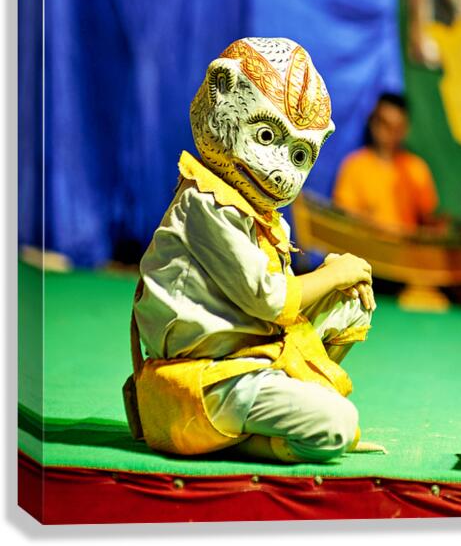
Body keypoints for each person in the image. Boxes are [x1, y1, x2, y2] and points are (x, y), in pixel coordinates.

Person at [127, 38, 378, 464]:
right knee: (336, 425)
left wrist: (337, 280)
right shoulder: (206, 203)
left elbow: (272, 298)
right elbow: (269, 298)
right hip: (207, 375)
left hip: (243, 355)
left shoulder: (253, 211)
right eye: (266, 135)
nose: (282, 170)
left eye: (299, 155)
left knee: (351, 306)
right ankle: (229, 430)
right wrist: (334, 272)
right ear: (221, 90)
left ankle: (279, 390)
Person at [332, 92, 439, 235]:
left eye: (397, 127)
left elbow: (427, 217)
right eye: (384, 124)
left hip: (406, 251)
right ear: (373, 123)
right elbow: (344, 216)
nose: (389, 133)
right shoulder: (354, 165)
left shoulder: (416, 167)